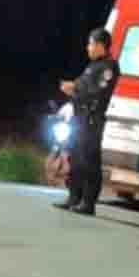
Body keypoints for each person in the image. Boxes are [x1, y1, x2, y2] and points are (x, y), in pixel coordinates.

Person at [53, 28, 119, 216]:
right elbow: (82, 85)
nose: (87, 48)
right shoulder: (92, 66)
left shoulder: (108, 67)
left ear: (100, 45)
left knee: (89, 160)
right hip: (79, 117)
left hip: (92, 119)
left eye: (90, 44)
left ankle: (88, 202)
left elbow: (98, 93)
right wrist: (72, 87)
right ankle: (74, 197)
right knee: (76, 158)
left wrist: (74, 90)